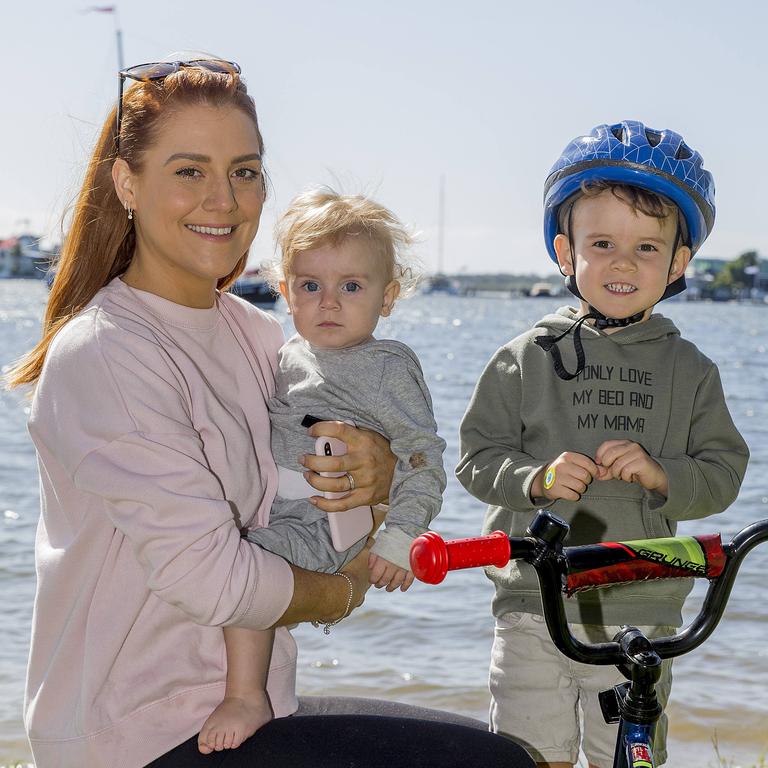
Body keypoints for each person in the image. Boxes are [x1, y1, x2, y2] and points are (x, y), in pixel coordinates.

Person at [7, 57, 536, 768]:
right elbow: (212, 579)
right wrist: (345, 591)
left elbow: (308, 494)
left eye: (245, 171)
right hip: (130, 737)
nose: (223, 200)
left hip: (251, 706)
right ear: (127, 183)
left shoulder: (261, 338)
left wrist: (375, 477)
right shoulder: (106, 354)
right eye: (189, 171)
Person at [456, 120, 749, 768]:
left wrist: (662, 473)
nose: (623, 262)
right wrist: (534, 480)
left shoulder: (692, 369)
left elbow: (725, 471)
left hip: (641, 604)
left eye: (647, 248)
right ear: (566, 253)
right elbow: (475, 458)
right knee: (533, 755)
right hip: (536, 603)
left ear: (678, 262)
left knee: (628, 754)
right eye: (603, 243)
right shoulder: (526, 357)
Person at [198, 188, 447, 752]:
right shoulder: (289, 354)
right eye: (310, 286)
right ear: (284, 292)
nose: (328, 303)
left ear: (388, 297)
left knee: (248, 568)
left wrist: (400, 536)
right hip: (286, 506)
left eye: (351, 287)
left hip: (329, 521)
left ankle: (246, 696)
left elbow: (422, 456)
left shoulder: (387, 367)